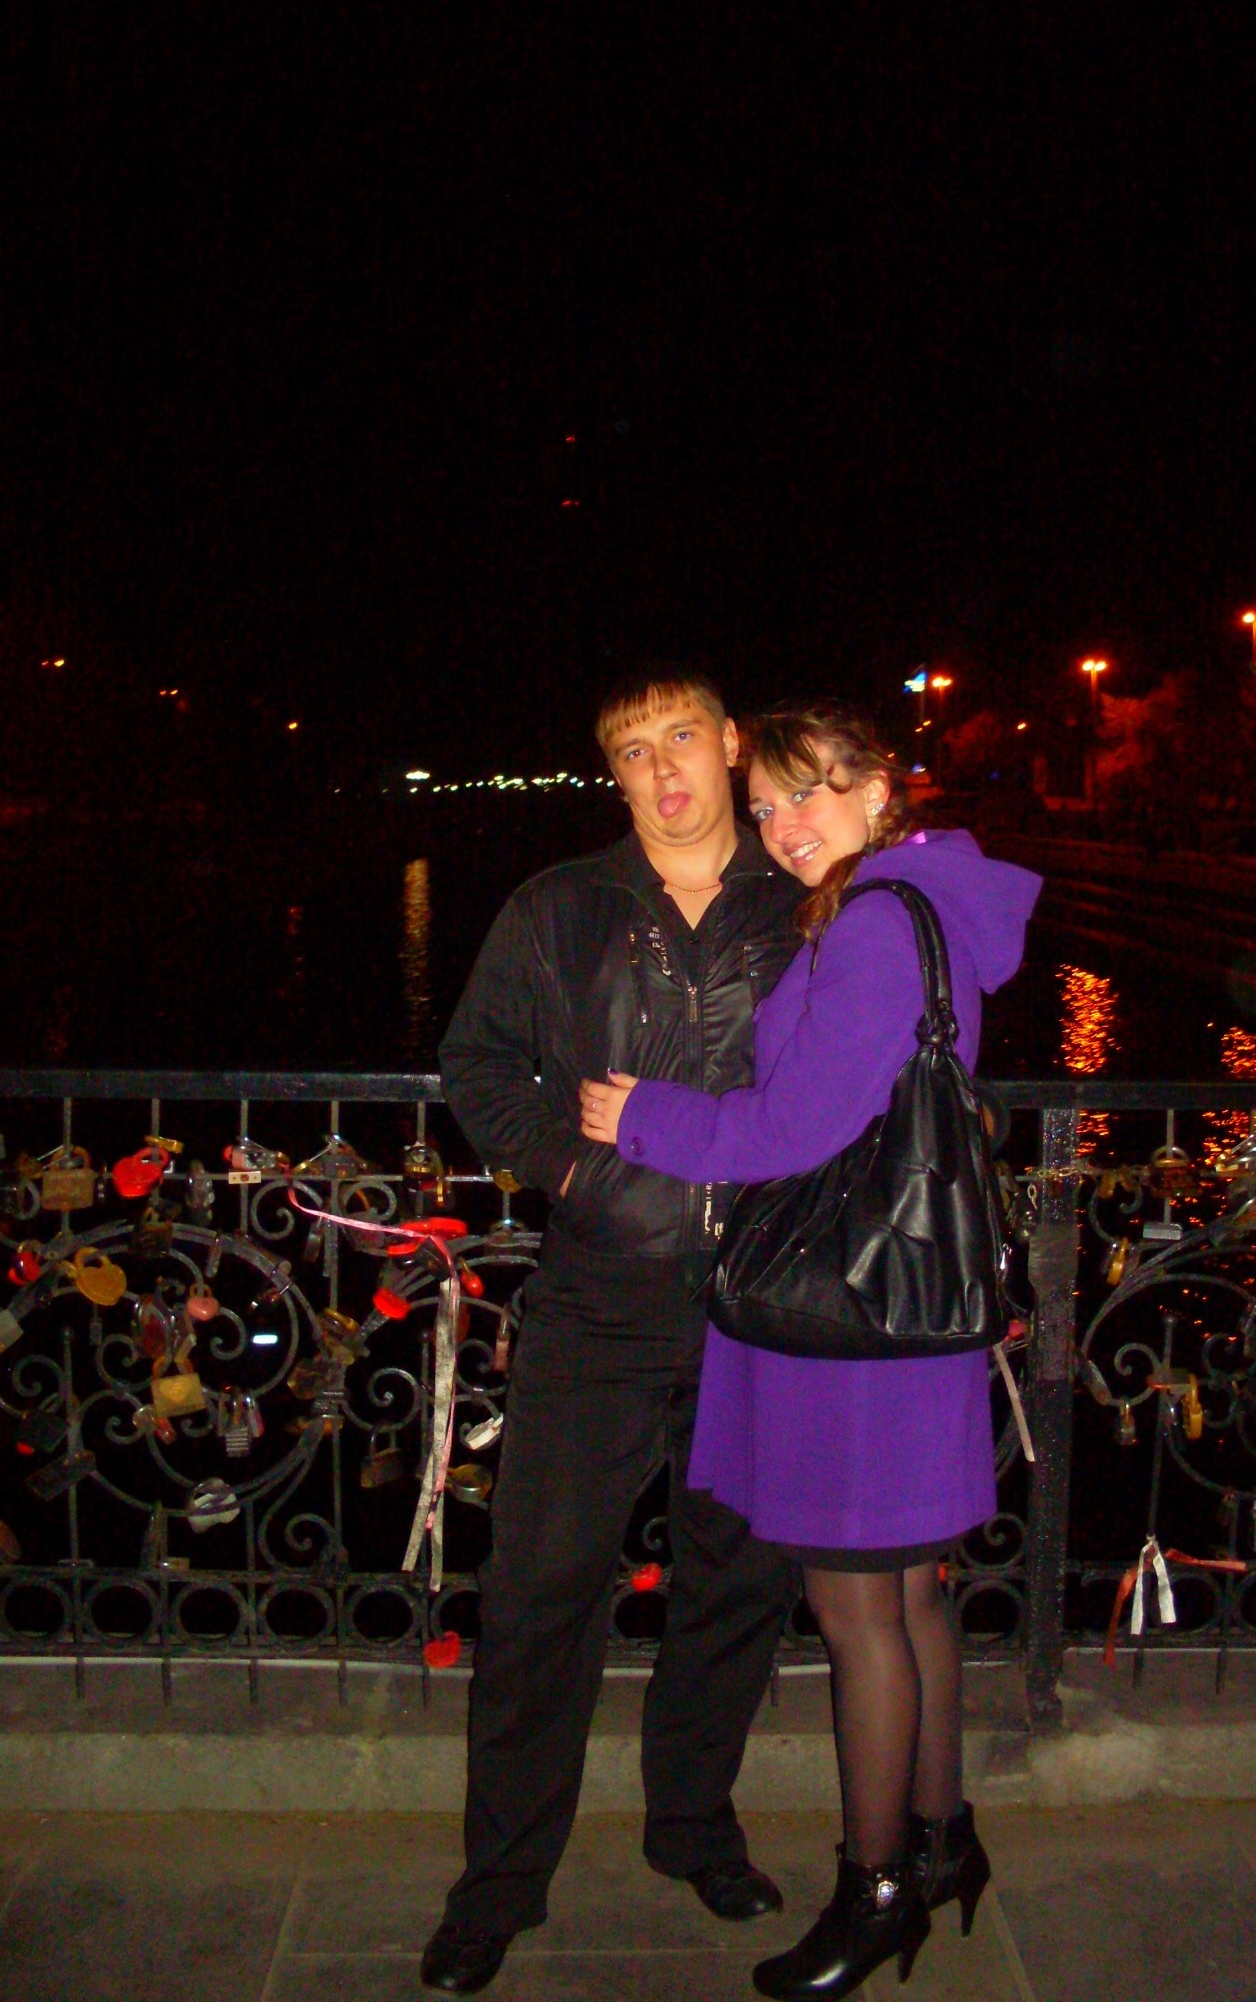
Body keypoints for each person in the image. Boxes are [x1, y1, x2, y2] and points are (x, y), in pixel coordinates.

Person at [580, 700, 1041, 2001]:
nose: (787, 826)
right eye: (770, 805)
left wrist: (644, 1117)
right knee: (908, 1598)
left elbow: (798, 1127)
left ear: (878, 787)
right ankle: (941, 1842)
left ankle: (874, 1886)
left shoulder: (880, 922)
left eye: (813, 793)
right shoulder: (916, 901)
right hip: (904, 1304)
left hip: (856, 1320)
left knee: (858, 1614)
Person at [422, 668, 806, 1994]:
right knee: (539, 1589)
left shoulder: (808, 900)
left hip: (761, 1297)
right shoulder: (559, 906)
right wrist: (569, 1170)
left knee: (737, 1580)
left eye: (682, 737)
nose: (663, 770)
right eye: (634, 752)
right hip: (599, 1292)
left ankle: (692, 1827)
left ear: (732, 744)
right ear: (615, 774)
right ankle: (500, 1878)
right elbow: (479, 1064)